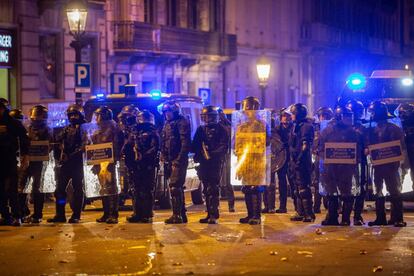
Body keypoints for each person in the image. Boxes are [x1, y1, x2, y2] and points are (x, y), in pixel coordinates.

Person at [367, 101, 406, 227]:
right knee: (378, 191)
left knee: (394, 191)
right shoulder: (371, 130)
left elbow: (400, 146)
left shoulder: (394, 129)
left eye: (373, 112)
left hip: (391, 165)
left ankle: (397, 218)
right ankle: (380, 218)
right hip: (377, 165)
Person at [319, 106, 360, 226]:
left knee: (346, 193)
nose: (348, 119)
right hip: (331, 167)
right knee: (332, 193)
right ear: (338, 117)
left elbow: (359, 148)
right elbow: (320, 148)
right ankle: (332, 218)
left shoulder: (353, 131)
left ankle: (345, 219)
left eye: (349, 116)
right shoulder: (328, 131)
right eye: (346, 116)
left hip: (346, 168)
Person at [48, 104, 85, 224]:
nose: (73, 117)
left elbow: (84, 146)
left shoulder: (84, 129)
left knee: (78, 190)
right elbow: (57, 139)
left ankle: (76, 215)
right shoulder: (67, 128)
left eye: (75, 115)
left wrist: (72, 154)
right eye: (71, 115)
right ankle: (60, 214)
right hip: (66, 163)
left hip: (78, 163)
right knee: (59, 190)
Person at [236, 96, 270, 225]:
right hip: (245, 160)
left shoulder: (261, 125)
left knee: (255, 188)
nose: (245, 112)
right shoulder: (242, 126)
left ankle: (256, 215)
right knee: (247, 188)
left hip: (257, 160)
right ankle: (249, 214)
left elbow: (267, 142)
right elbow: (238, 145)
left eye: (247, 109)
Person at [192, 106, 229, 224]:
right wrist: (199, 152)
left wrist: (212, 153)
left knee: (213, 188)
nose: (207, 119)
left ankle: (214, 214)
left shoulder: (221, 129)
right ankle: (209, 213)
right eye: (205, 117)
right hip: (203, 163)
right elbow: (195, 145)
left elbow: (224, 146)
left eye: (209, 116)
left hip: (215, 162)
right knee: (206, 189)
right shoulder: (201, 129)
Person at [20, 105, 53, 223]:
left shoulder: (48, 130)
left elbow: (49, 146)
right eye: (33, 118)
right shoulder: (27, 128)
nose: (35, 120)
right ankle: (23, 212)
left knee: (37, 189)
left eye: (37, 118)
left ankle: (37, 214)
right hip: (28, 161)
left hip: (40, 163)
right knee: (22, 187)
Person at [125, 110, 160, 223]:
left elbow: (155, 148)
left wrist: (143, 156)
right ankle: (137, 213)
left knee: (146, 189)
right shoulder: (135, 132)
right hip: (135, 165)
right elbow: (128, 146)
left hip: (147, 164)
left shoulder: (152, 132)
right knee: (135, 189)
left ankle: (146, 214)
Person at [161, 101, 191, 224]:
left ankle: (177, 215)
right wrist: (163, 155)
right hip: (169, 159)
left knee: (175, 187)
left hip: (178, 160)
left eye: (168, 112)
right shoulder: (167, 124)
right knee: (174, 187)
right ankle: (181, 214)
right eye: (165, 112)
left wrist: (179, 159)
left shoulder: (182, 122)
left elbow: (185, 143)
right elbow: (164, 140)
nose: (166, 114)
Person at [90, 106, 122, 224]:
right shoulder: (98, 128)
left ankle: (113, 214)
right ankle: (106, 213)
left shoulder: (113, 127)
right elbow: (93, 145)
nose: (96, 118)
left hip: (109, 162)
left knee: (111, 188)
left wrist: (113, 160)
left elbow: (117, 144)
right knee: (103, 188)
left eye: (98, 115)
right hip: (100, 161)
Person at [0, 99, 29, 226]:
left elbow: (24, 137)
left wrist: (24, 154)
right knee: (0, 191)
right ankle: (5, 216)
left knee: (12, 190)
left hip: (10, 159)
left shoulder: (12, 123)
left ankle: (17, 216)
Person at [289, 103, 315, 223]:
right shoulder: (296, 126)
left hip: (302, 161)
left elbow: (305, 146)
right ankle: (300, 212)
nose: (292, 116)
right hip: (294, 160)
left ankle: (309, 213)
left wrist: (299, 159)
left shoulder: (306, 126)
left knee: (304, 188)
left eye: (294, 113)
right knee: (296, 188)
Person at [346, 99, 368, 226]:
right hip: (346, 162)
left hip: (360, 161)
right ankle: (346, 215)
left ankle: (357, 215)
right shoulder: (343, 127)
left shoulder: (364, 127)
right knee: (346, 188)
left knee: (360, 189)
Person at [271, 108, 294, 214]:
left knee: (294, 183)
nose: (285, 118)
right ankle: (282, 206)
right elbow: (275, 142)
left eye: (287, 116)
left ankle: (298, 207)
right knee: (282, 183)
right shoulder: (277, 129)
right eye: (284, 116)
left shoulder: (293, 128)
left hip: (292, 158)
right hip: (281, 159)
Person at [312, 107, 334, 214]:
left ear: (322, 116)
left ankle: (317, 206)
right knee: (329, 181)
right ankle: (328, 205)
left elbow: (314, 145)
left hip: (321, 158)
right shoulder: (334, 128)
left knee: (318, 181)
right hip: (332, 158)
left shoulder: (320, 129)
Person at [117, 105, 139, 206]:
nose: (125, 120)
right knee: (122, 179)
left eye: (128, 117)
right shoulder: (120, 129)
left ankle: (139, 209)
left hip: (135, 160)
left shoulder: (137, 129)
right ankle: (122, 196)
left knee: (135, 185)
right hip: (123, 159)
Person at [217, 107, 235, 212]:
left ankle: (231, 205)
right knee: (215, 182)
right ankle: (215, 205)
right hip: (218, 156)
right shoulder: (215, 126)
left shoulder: (228, 126)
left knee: (229, 182)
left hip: (227, 156)